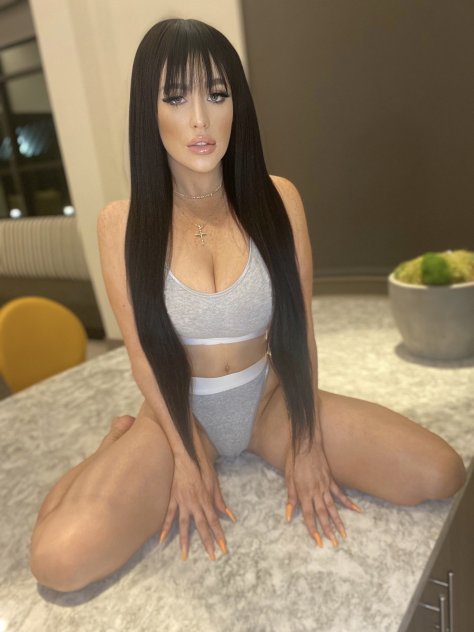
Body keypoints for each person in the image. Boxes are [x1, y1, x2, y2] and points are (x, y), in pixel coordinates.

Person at [29, 17, 466, 593]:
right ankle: (116, 441)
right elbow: (140, 353)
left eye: (217, 94)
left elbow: (299, 330)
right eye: (175, 97)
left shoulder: (278, 198)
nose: (200, 119)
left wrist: (307, 441)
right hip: (177, 417)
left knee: (441, 472)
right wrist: (184, 458)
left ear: (237, 102)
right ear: (147, 111)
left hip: (269, 403)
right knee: (57, 561)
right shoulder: (122, 223)